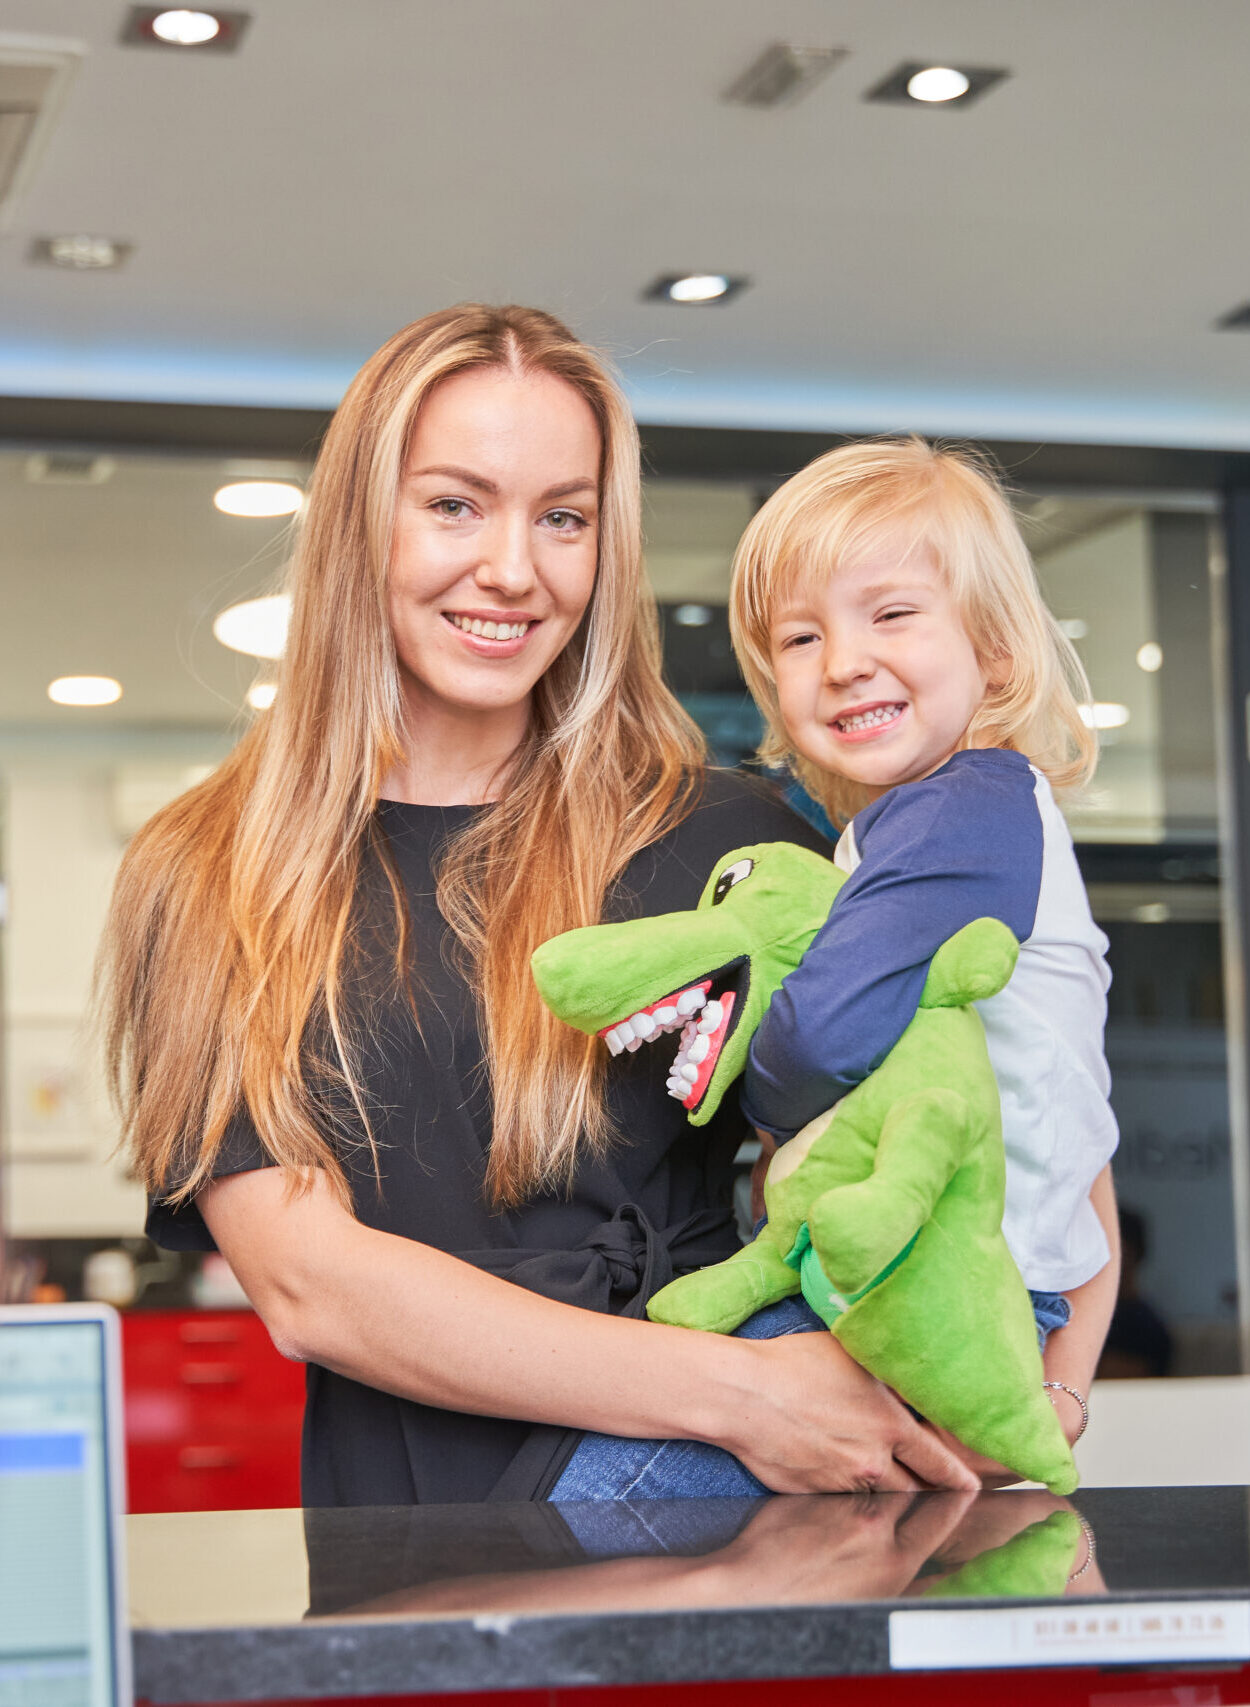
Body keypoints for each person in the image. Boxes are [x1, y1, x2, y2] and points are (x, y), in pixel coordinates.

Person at [97, 307, 980, 1504]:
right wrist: (740, 1394)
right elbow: (311, 1287)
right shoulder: (206, 871)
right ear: (362, 525)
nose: (513, 568)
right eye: (455, 504)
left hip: (734, 1516)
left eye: (561, 518)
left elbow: (883, 1154)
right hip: (422, 1534)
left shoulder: (731, 836)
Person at [728, 439, 1121, 1476]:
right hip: (987, 1279)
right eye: (800, 636)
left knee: (624, 1477)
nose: (843, 660)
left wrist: (752, 1097)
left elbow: (818, 1034)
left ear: (992, 648)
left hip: (948, 1279)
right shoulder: (936, 818)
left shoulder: (964, 806)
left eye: (890, 614)